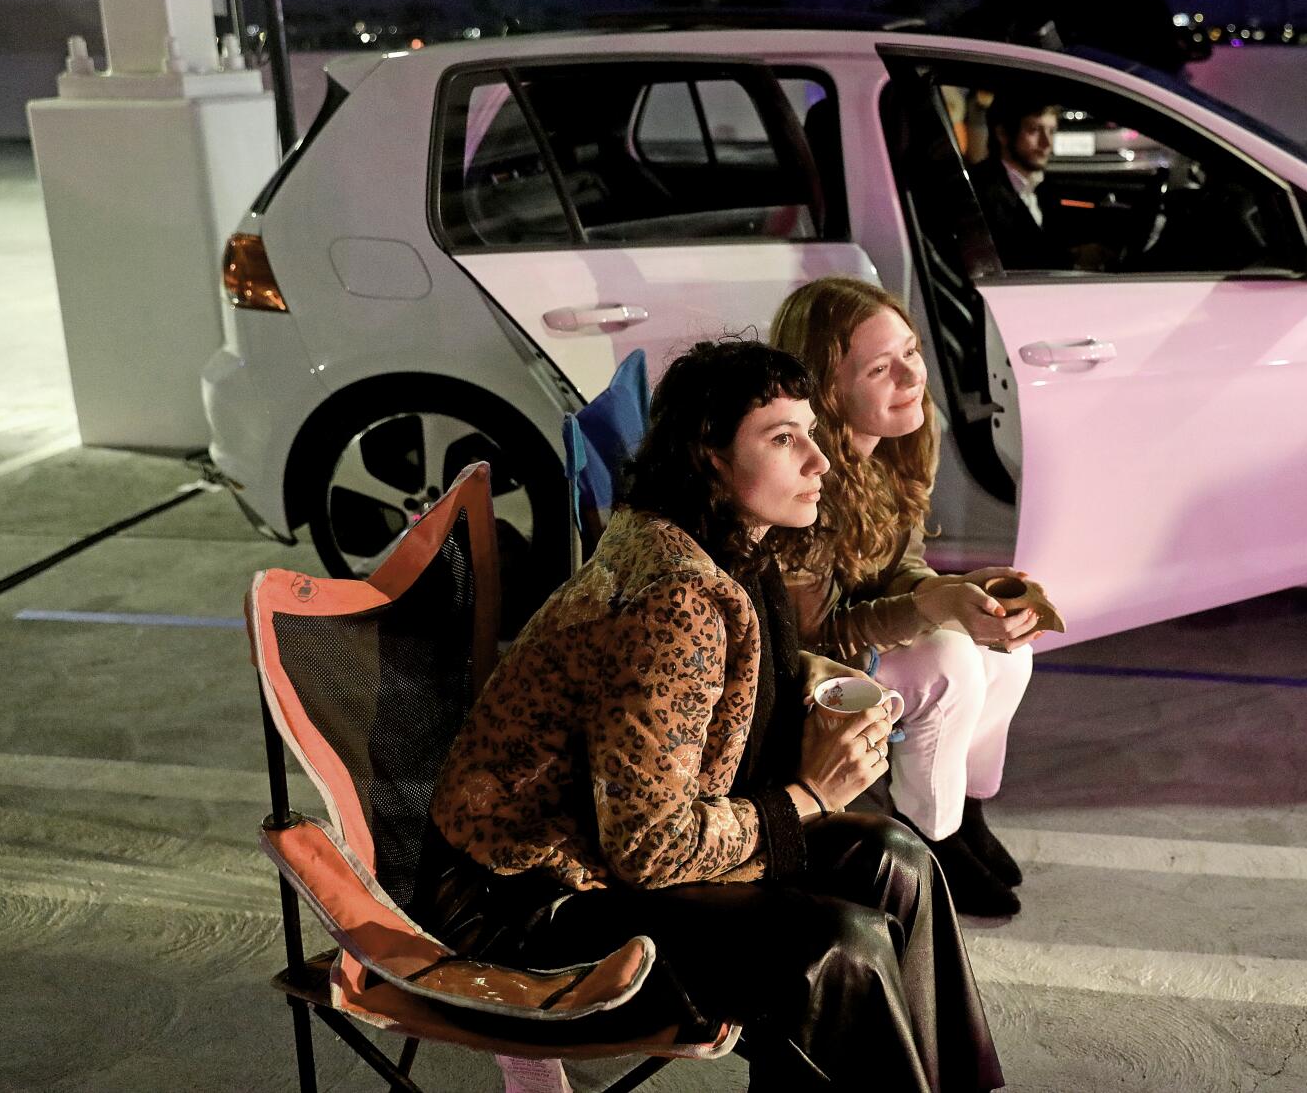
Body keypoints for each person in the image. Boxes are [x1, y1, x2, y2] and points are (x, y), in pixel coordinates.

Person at [423, 339, 1003, 1092]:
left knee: (900, 862)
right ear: (712, 456)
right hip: (529, 901)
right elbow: (651, 848)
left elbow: (721, 702)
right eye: (782, 438)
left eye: (812, 434)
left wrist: (811, 683)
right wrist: (811, 796)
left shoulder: (727, 545)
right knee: (835, 949)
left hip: (600, 856)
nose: (819, 462)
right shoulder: (677, 600)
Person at [769, 277, 1047, 919]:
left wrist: (955, 592)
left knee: (1006, 652)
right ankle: (929, 843)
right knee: (946, 660)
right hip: (799, 675)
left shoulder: (895, 442)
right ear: (827, 392)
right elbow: (810, 640)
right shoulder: (808, 482)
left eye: (912, 352)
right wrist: (931, 610)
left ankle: (966, 813)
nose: (910, 375)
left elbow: (901, 564)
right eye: (879, 367)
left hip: (854, 646)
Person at [967, 93, 1065, 271]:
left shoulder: (1045, 187)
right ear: (1003, 133)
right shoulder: (977, 191)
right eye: (1034, 130)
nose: (1046, 142)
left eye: (1052, 131)